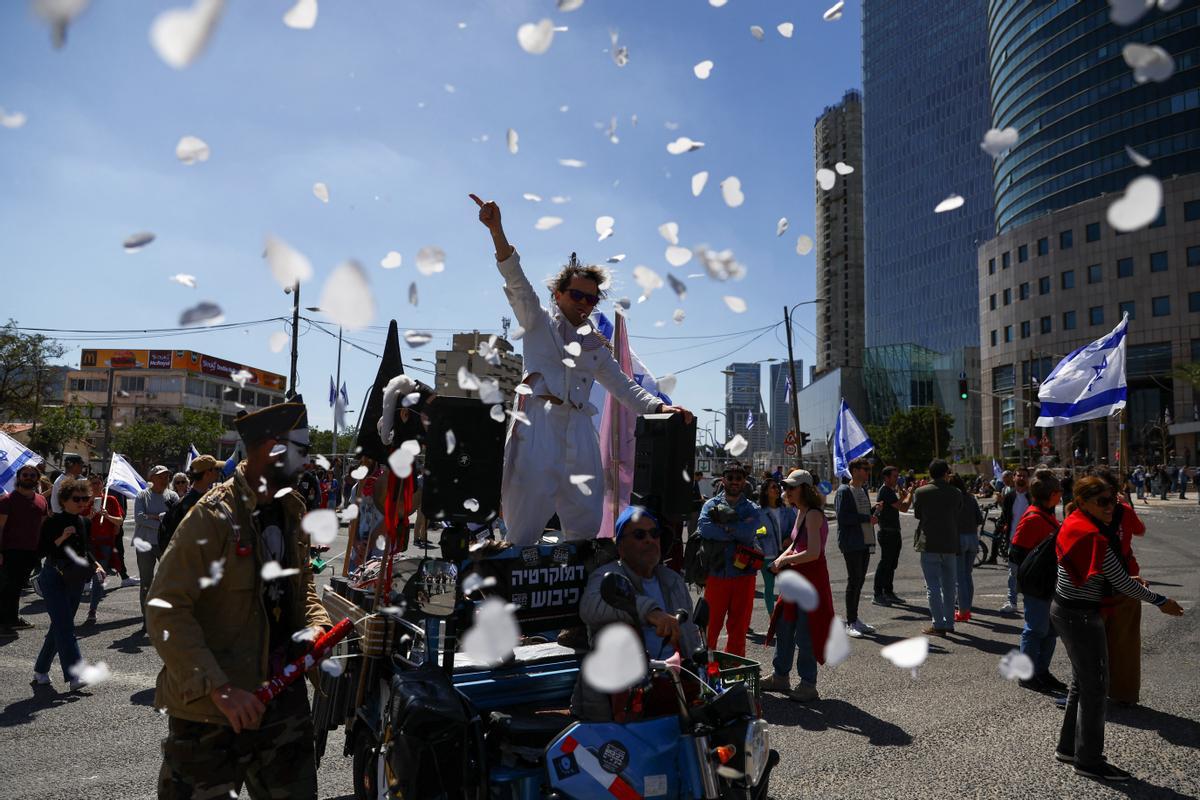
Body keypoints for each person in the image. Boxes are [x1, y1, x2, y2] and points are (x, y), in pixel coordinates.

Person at [469, 194, 693, 544]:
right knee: (524, 528)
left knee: (586, 527)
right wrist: (496, 230)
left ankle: (580, 591)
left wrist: (660, 408)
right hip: (538, 428)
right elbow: (516, 281)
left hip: (578, 431)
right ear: (558, 295)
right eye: (577, 295)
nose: (585, 304)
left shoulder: (595, 346)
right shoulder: (537, 323)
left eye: (592, 299)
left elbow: (624, 387)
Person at [148, 395, 333, 799]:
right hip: (214, 715)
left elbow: (301, 589)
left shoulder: (290, 509)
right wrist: (219, 688)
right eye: (302, 451)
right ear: (273, 449)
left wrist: (317, 627)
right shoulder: (213, 516)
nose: (307, 463)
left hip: (284, 705)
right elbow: (165, 608)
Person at [1051, 476, 1184, 781]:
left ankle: (1069, 747)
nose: (1112, 507)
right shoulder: (1093, 535)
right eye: (1103, 502)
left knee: (1081, 684)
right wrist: (1160, 600)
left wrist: (1120, 580)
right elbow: (1122, 582)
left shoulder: (1073, 520)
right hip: (1081, 616)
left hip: (1066, 609)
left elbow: (1101, 574)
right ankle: (1089, 760)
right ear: (1084, 501)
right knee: (1096, 689)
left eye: (1113, 499)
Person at [573, 505, 698, 721]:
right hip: (624, 696)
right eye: (640, 535)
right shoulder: (608, 574)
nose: (650, 540)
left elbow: (689, 635)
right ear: (620, 546)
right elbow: (590, 606)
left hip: (673, 685)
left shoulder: (672, 580)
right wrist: (649, 612)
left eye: (655, 533)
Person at [764, 470, 834, 702]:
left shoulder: (813, 514)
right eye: (786, 487)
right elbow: (795, 544)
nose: (786, 491)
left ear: (804, 488)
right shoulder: (800, 511)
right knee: (784, 628)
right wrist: (779, 558)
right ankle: (780, 676)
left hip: (811, 581)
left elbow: (813, 553)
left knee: (805, 633)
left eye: (791, 487)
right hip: (797, 579)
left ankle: (808, 685)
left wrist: (784, 560)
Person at [33, 477, 106, 690]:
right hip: (53, 576)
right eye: (77, 499)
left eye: (85, 498)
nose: (82, 503)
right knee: (65, 627)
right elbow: (41, 551)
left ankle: (40, 669)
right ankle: (75, 676)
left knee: (60, 626)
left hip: (74, 577)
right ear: (64, 500)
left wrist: (96, 565)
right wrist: (62, 537)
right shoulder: (53, 521)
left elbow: (85, 549)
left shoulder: (84, 522)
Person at [1088, 467, 1147, 705]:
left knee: (1091, 643)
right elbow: (1141, 531)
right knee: (1124, 643)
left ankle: (1089, 693)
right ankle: (1124, 693)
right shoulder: (1123, 510)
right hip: (1125, 579)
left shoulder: (1086, 511)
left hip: (1099, 583)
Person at [1009, 470, 1066, 694]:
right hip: (1037, 583)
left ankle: (1041, 671)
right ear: (1052, 494)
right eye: (1060, 491)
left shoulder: (1047, 515)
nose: (1062, 495)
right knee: (1035, 629)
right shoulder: (1033, 517)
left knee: (1050, 630)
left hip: (1049, 582)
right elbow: (1016, 554)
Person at [697, 462, 761, 656]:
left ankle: (735, 673)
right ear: (723, 479)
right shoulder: (711, 504)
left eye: (739, 478)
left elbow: (749, 533)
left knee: (739, 629)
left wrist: (724, 528)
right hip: (717, 574)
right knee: (710, 628)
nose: (734, 481)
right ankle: (707, 673)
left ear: (744, 481)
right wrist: (736, 530)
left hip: (744, 576)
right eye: (730, 477)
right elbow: (704, 528)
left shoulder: (752, 508)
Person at [912, 460, 962, 636]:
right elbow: (958, 512)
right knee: (949, 585)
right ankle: (949, 622)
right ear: (946, 473)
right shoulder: (956, 492)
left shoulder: (921, 492)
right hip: (950, 542)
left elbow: (918, 514)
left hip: (929, 542)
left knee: (932, 586)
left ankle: (938, 624)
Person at [0, 464, 49, 638]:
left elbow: (43, 526)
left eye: (32, 475)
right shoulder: (7, 501)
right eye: (25, 475)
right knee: (6, 587)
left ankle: (12, 619)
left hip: (30, 551)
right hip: (9, 550)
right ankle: (4, 623)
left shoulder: (41, 500)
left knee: (17, 587)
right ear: (19, 478)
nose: (28, 477)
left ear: (37, 479)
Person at [834, 457, 878, 637]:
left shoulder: (863, 490)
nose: (868, 472)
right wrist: (866, 519)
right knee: (854, 580)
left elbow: (862, 514)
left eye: (868, 469)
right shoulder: (844, 491)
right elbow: (843, 518)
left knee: (859, 581)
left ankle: (855, 618)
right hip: (851, 542)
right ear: (855, 470)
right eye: (865, 469)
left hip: (864, 540)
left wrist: (874, 510)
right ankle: (850, 622)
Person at [134, 465, 180, 630]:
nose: (164, 479)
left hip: (166, 544)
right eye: (160, 476)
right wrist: (161, 521)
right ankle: (147, 620)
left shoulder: (173, 496)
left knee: (170, 581)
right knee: (146, 582)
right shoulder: (142, 496)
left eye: (166, 476)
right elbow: (140, 519)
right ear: (151, 478)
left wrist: (154, 518)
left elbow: (175, 518)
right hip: (145, 544)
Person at [82, 473, 125, 626]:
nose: (95, 486)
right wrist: (89, 516)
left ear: (102, 485)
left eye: (98, 483)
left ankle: (92, 611)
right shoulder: (82, 501)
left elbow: (119, 521)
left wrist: (107, 516)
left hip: (104, 545)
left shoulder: (111, 500)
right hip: (85, 545)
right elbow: (76, 523)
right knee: (79, 578)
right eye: (92, 483)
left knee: (98, 578)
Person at [872, 466, 911, 606]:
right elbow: (902, 507)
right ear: (886, 478)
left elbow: (904, 507)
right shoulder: (885, 491)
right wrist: (907, 496)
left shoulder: (890, 491)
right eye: (894, 476)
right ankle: (878, 593)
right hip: (887, 532)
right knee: (885, 563)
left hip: (894, 531)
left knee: (891, 564)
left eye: (897, 476)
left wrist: (906, 496)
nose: (897, 479)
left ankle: (888, 592)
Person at [756, 478, 795, 617]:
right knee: (769, 587)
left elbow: (795, 530)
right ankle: (772, 617)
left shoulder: (787, 511)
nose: (777, 490)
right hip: (767, 555)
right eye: (773, 487)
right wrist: (760, 541)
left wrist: (790, 538)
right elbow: (754, 533)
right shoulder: (758, 512)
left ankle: (784, 616)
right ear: (765, 491)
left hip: (785, 555)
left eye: (777, 487)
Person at [949, 474, 983, 622]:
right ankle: (967, 608)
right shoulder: (971, 498)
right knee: (967, 576)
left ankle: (963, 611)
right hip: (972, 538)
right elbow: (979, 519)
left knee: (960, 578)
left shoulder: (952, 499)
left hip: (959, 538)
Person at [997, 467, 1031, 612]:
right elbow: (1005, 517)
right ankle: (1012, 602)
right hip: (1014, 540)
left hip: (1032, 542)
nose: (1021, 478)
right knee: (1013, 573)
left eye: (1024, 476)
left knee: (1029, 574)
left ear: (1028, 478)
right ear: (1014, 478)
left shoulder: (1033, 497)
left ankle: (1030, 602)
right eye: (1019, 476)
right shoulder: (1010, 497)